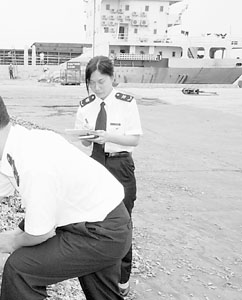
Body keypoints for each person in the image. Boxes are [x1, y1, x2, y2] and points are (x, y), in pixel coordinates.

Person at [0, 86, 132, 300]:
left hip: (101, 232)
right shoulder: (15, 147)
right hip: (101, 219)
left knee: (21, 269)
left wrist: (13, 242)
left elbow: (40, 233)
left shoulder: (31, 161)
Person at [74, 55, 143, 297]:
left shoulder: (126, 103)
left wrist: (109, 137)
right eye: (92, 83)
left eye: (101, 82)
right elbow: (82, 140)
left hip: (119, 164)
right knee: (97, 220)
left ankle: (123, 277)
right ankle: (102, 273)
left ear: (112, 78)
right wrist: (85, 136)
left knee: (122, 221)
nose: (96, 87)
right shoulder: (85, 104)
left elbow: (134, 139)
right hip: (95, 163)